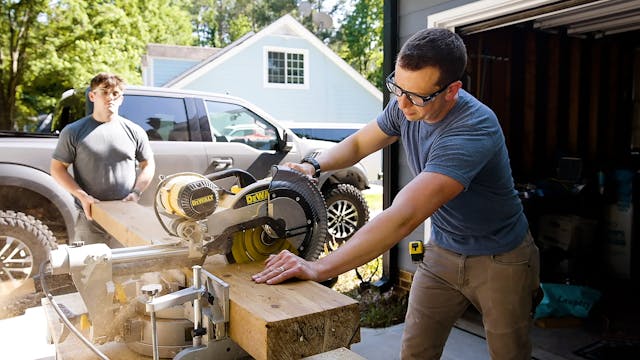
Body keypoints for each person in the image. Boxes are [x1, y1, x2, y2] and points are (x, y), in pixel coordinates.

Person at [252, 28, 540, 360]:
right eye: (397, 88)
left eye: (416, 96)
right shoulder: (408, 102)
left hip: (501, 258)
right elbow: (359, 144)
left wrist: (320, 268)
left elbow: (402, 217)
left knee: (509, 354)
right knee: (415, 351)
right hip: (444, 252)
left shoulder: (473, 130)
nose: (401, 103)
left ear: (452, 91)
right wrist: (313, 166)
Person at [51, 72, 155, 248]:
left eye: (115, 94)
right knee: (91, 271)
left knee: (128, 271)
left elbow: (148, 165)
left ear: (121, 99)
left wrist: (136, 193)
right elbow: (57, 168)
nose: (110, 98)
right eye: (104, 92)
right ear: (92, 96)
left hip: (126, 214)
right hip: (90, 215)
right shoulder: (73, 131)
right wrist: (82, 196)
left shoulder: (135, 131)